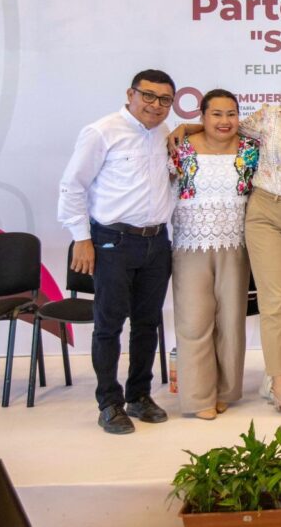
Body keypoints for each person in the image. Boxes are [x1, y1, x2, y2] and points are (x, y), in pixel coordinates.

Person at [171, 61, 281, 419]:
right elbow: (222, 128)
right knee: (276, 300)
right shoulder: (266, 118)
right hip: (267, 212)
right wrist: (185, 125)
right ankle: (280, 383)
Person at [57, 69, 176, 434]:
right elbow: (72, 186)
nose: (156, 106)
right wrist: (82, 238)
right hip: (112, 242)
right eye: (149, 96)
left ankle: (138, 395)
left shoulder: (164, 133)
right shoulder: (101, 131)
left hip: (157, 242)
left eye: (165, 100)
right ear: (131, 94)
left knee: (147, 323)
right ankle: (108, 402)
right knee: (108, 326)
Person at [169, 89, 258, 420]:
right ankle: (198, 396)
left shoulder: (251, 151)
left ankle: (225, 391)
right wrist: (184, 128)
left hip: (236, 244)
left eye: (231, 114)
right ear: (202, 117)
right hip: (190, 245)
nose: (224, 121)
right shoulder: (181, 149)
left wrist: (186, 125)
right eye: (216, 114)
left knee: (231, 321)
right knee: (194, 322)